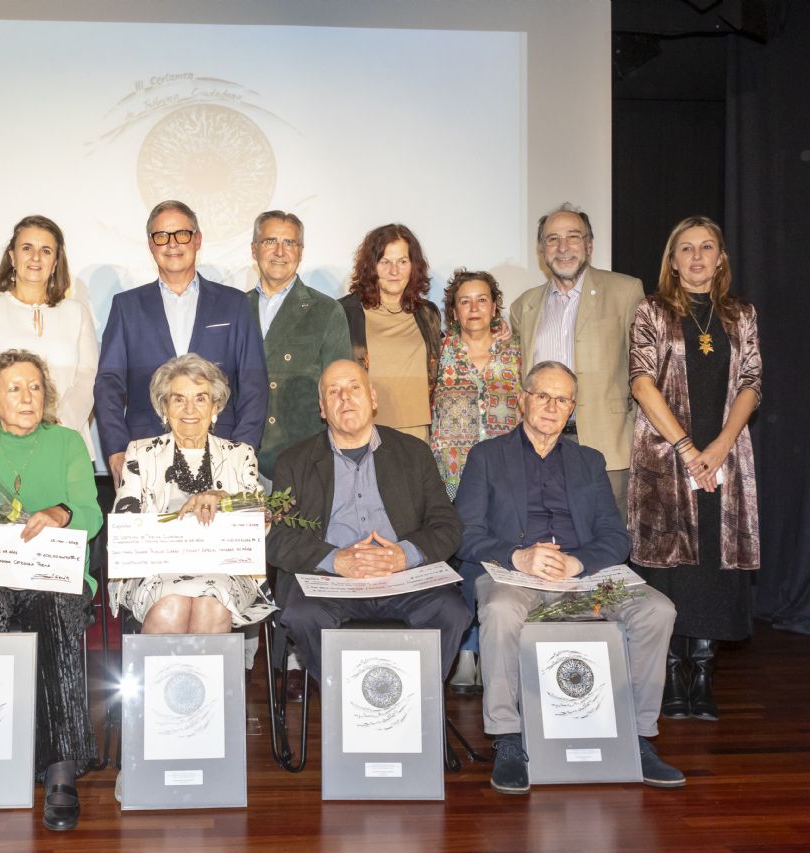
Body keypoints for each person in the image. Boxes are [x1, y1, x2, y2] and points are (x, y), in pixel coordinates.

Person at [456, 361, 685, 794]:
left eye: (561, 399)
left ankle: (638, 739)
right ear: (522, 399)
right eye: (542, 395)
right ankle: (507, 738)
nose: (550, 406)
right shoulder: (486, 456)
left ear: (572, 408)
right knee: (501, 609)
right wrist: (517, 556)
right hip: (513, 575)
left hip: (583, 578)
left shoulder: (589, 461)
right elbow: (464, 534)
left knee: (657, 609)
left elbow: (616, 538)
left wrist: (579, 562)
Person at [0, 350, 101, 831]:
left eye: (34, 387)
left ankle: (60, 770)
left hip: (54, 576)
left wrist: (60, 513)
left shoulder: (68, 442)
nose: (27, 397)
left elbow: (90, 515)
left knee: (52, 608)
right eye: (14, 388)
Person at [628, 216, 761, 722]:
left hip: (724, 458)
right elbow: (641, 383)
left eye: (707, 247)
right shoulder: (652, 312)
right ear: (673, 259)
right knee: (669, 565)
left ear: (721, 257)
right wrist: (687, 449)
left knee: (712, 563)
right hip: (666, 458)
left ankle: (702, 673)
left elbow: (752, 381)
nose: (698, 256)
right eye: (687, 248)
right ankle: (668, 674)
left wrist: (721, 446)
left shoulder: (741, 314)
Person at [267, 359, 470, 686]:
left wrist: (404, 555)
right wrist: (336, 560)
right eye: (334, 392)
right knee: (302, 616)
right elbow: (277, 537)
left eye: (354, 388)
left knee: (451, 611)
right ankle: (347, 699)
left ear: (372, 398)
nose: (345, 398)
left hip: (403, 579)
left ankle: (412, 699)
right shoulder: (294, 461)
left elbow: (447, 525)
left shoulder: (413, 453)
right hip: (330, 582)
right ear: (323, 408)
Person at [95, 199, 267, 484]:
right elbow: (108, 383)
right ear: (151, 245)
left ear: (197, 240)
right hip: (144, 455)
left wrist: (243, 450)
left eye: (182, 234)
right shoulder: (126, 307)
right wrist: (115, 450)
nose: (172, 244)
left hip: (221, 452)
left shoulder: (233, 303)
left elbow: (254, 383)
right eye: (161, 236)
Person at [109, 354, 274, 633]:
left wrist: (225, 500)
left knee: (210, 603)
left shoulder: (240, 455)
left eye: (200, 398)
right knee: (171, 605)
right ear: (164, 407)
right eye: (178, 399)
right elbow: (126, 530)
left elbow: (262, 522)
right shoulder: (139, 453)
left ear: (215, 407)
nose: (189, 409)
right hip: (154, 570)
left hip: (226, 571)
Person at [509, 203, 644, 519]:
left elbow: (646, 369)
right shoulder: (523, 306)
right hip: (540, 444)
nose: (563, 248)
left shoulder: (626, 291)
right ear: (542, 251)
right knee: (548, 535)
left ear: (590, 245)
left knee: (608, 541)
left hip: (606, 443)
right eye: (553, 240)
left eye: (573, 237)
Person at [430, 269, 523, 694]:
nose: (473, 308)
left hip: (504, 476)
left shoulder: (517, 352)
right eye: (464, 301)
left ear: (494, 305)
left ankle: (493, 651)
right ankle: (465, 653)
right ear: (453, 309)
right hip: (451, 475)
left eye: (481, 299)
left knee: (498, 558)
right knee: (460, 562)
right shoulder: (439, 353)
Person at [0, 215, 99, 460]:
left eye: (45, 250)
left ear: (55, 262)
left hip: (62, 445)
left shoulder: (77, 312)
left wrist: (56, 427)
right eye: (27, 248)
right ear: (12, 256)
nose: (35, 258)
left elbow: (86, 380)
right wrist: (15, 429)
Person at [245, 210, 352, 481]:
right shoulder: (233, 308)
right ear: (254, 249)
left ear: (301, 251)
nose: (280, 251)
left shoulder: (327, 311)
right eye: (270, 241)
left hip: (304, 461)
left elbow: (340, 392)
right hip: (242, 459)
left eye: (290, 243)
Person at [340, 224, 443, 441]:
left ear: (413, 266)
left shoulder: (428, 314)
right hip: (364, 431)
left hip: (417, 434)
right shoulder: (344, 313)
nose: (394, 271)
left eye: (402, 262)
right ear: (371, 266)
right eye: (385, 262)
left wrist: (497, 329)